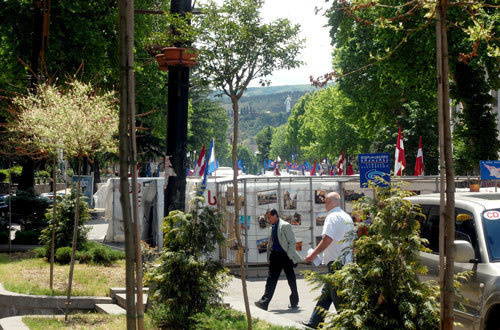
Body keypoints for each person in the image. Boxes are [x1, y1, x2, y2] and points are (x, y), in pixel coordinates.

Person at [302, 192, 354, 328]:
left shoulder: (332, 217)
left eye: (325, 202)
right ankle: (315, 321)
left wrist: (313, 254)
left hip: (336, 262)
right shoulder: (347, 216)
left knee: (337, 295)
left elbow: (328, 239)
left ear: (330, 202)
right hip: (346, 261)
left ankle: (348, 323)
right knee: (327, 293)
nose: (324, 204)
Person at [255, 208, 303, 311]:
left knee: (291, 279)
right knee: (271, 279)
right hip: (275, 256)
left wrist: (289, 255)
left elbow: (292, 242)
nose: (268, 220)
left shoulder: (284, 225)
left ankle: (294, 301)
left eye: (269, 217)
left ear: (275, 215)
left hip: (285, 256)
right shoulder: (273, 226)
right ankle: (264, 302)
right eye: (267, 218)